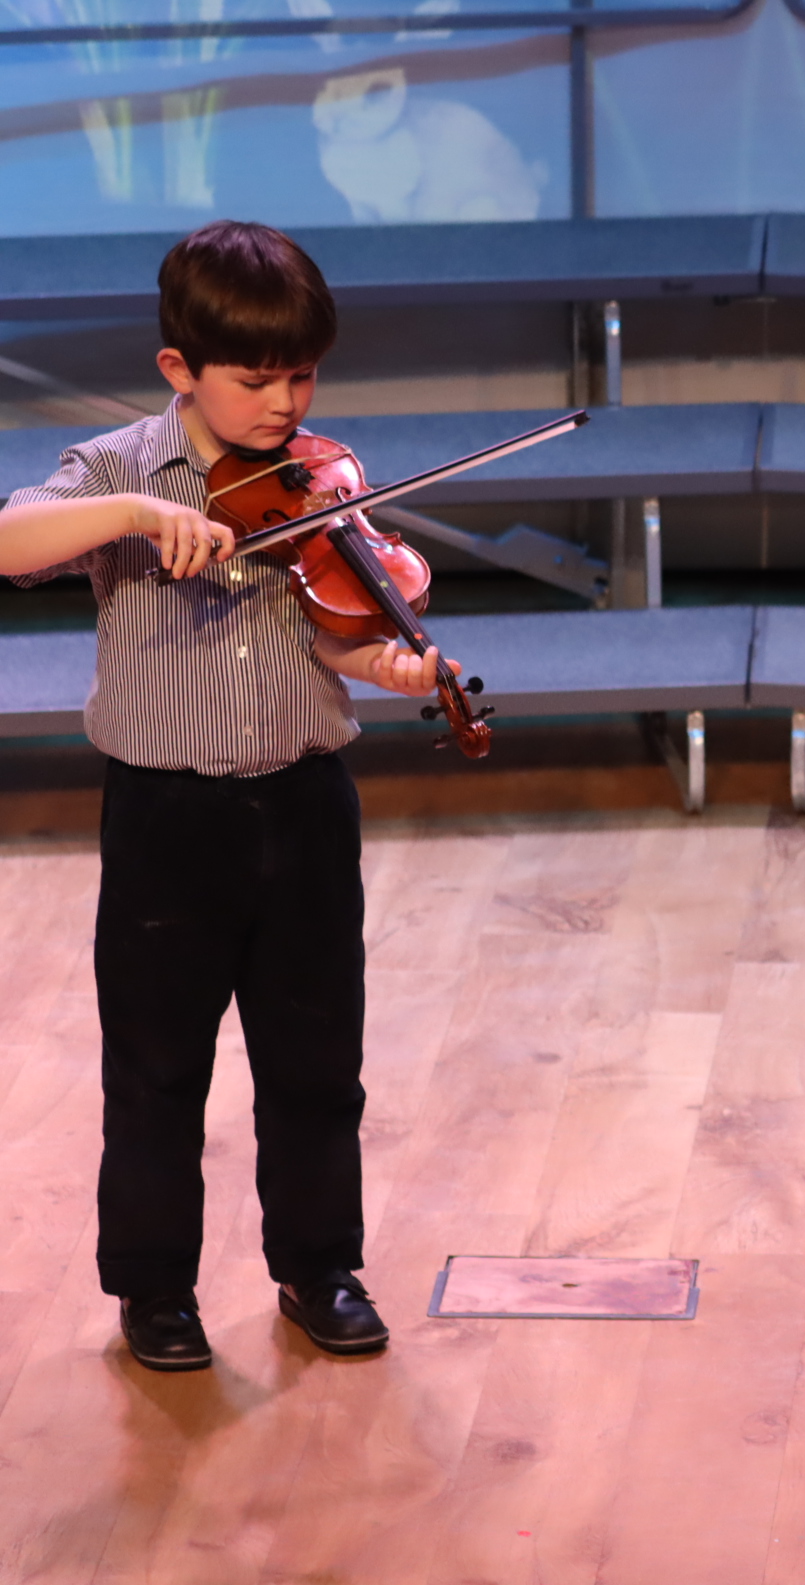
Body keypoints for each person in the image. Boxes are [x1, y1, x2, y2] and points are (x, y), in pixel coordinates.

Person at [0, 221, 454, 1371]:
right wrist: (138, 517)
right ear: (179, 369)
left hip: (306, 802)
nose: (284, 403)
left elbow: (335, 630)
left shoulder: (319, 475)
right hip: (168, 817)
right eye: (256, 380)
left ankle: (319, 1265)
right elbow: (11, 541)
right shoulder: (116, 470)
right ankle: (155, 1289)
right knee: (157, 1069)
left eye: (301, 376)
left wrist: (390, 664)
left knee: (318, 1060)